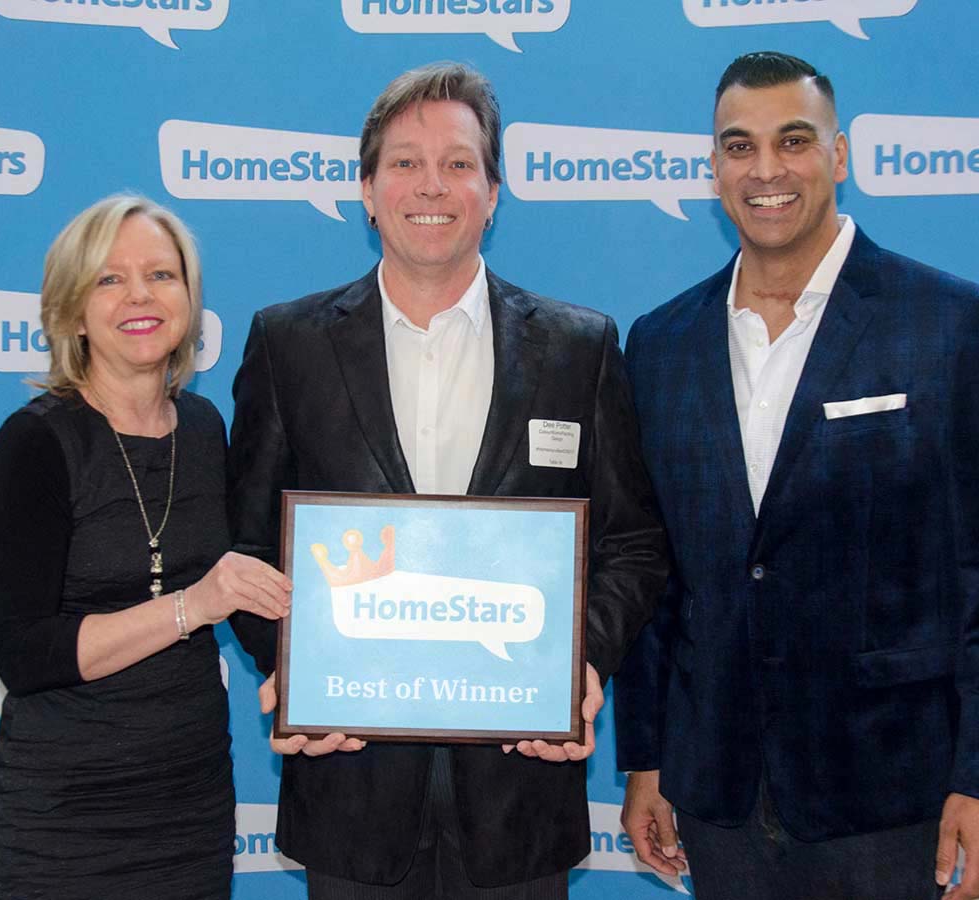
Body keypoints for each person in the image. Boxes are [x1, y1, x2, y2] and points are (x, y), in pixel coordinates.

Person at [227, 62, 667, 899]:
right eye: (404, 162)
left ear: (494, 192)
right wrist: (291, 664)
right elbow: (249, 545)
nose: (432, 184)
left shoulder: (580, 347)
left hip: (519, 804)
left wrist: (582, 661)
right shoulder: (289, 345)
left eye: (460, 163)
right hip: (350, 795)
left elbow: (634, 545)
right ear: (366, 188)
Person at [614, 51, 979, 900]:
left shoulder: (950, 326)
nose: (766, 170)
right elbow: (654, 570)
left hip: (895, 795)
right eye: (739, 146)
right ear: (714, 168)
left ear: (840, 155)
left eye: (794, 140)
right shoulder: (662, 343)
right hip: (721, 799)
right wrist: (648, 758)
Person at [0, 194, 293, 899]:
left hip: (189, 808)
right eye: (109, 279)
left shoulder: (207, 429)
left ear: (189, 297)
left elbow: (249, 582)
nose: (140, 295)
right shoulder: (32, 445)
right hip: (62, 823)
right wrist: (191, 607)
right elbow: (24, 655)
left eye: (161, 274)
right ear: (70, 310)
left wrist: (313, 680)